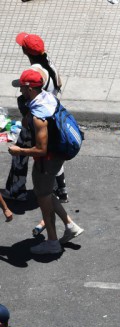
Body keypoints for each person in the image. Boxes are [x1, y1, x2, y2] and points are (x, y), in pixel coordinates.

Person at [8, 68, 83, 256]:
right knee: (46, 193)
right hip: (55, 157)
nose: (20, 91)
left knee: (43, 198)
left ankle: (52, 242)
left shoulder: (39, 116)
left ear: (30, 89)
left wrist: (19, 151)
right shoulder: (47, 98)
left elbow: (41, 149)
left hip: (47, 162)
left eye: (23, 88)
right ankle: (69, 225)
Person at [7, 34, 68, 206]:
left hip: (37, 120)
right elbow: (59, 83)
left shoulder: (34, 72)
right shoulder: (50, 63)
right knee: (53, 153)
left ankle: (16, 191)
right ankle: (61, 190)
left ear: (26, 51)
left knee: (19, 154)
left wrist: (27, 116)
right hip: (53, 116)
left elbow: (29, 95)